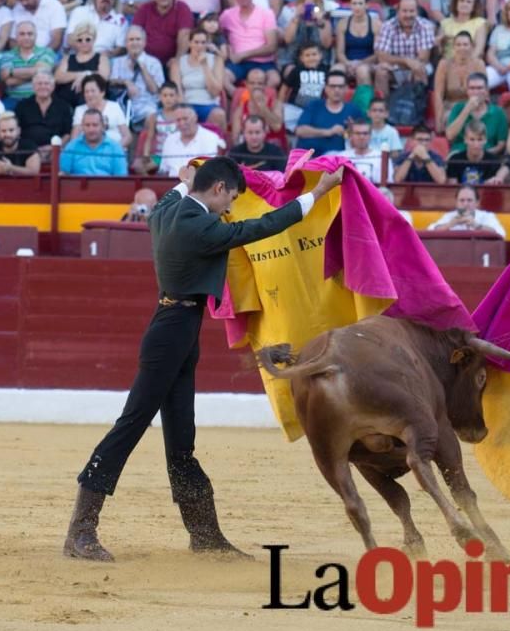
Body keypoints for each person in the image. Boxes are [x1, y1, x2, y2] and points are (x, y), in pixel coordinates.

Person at [63, 158, 345, 562]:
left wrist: (184, 181)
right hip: (171, 335)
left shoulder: (166, 212)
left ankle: (205, 534)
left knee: (181, 438)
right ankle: (80, 531)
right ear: (216, 190)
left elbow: (173, 194)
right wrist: (317, 194)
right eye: (230, 196)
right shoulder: (201, 226)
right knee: (131, 425)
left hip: (175, 331)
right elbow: (263, 228)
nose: (231, 206)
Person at [373, 0, 434, 97]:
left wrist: (409, 65)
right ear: (398, 11)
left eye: (411, 11)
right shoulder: (387, 26)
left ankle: (416, 109)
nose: (408, 15)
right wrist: (406, 61)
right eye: (404, 11)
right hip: (394, 69)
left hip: (417, 67)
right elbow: (382, 56)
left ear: (417, 11)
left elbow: (423, 58)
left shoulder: (425, 26)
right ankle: (384, 108)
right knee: (381, 72)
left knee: (419, 69)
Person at [170, 27, 227, 131]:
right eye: (196, 42)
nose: (199, 46)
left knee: (219, 115)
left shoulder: (216, 60)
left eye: (203, 42)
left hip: (209, 103)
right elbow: (177, 91)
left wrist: (205, 66)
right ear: (190, 43)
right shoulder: (178, 63)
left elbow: (215, 92)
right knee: (183, 117)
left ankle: (218, 145)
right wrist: (186, 109)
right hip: (187, 102)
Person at [109, 26, 165, 130]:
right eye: (131, 39)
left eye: (138, 39)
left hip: (146, 105)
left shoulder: (154, 62)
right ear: (126, 43)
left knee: (152, 117)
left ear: (144, 42)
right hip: (123, 104)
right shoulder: (117, 62)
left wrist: (143, 67)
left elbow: (155, 90)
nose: (134, 43)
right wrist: (126, 82)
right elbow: (111, 82)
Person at [295, 70, 362, 156]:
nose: (336, 90)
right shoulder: (314, 106)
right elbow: (300, 131)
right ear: (326, 88)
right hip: (311, 160)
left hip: (341, 161)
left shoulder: (353, 110)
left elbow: (362, 139)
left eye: (340, 86)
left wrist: (352, 131)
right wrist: (328, 132)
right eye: (333, 86)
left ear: (346, 88)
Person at [434, 32, 486, 135]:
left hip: (473, 106)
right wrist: (438, 119)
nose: (462, 48)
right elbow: (438, 95)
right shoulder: (444, 64)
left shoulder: (479, 64)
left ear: (471, 47)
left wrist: (474, 107)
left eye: (465, 44)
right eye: (458, 45)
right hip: (450, 107)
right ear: (453, 47)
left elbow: (485, 92)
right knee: (449, 118)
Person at [444, 72, 509, 155]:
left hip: (487, 156)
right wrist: (467, 110)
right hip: (460, 154)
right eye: (472, 88)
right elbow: (450, 136)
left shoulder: (498, 112)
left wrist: (481, 155)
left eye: (479, 88)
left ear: (486, 91)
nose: (475, 92)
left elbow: (501, 144)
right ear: (467, 91)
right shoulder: (458, 108)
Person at [0, 21, 56, 109]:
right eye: (22, 34)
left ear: (35, 36)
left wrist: (11, 71)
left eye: (30, 34)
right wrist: (37, 76)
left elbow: (43, 70)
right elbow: (8, 81)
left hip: (40, 99)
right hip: (14, 99)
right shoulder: (7, 55)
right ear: (16, 37)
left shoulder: (46, 52)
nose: (26, 37)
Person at [53, 22, 111, 108]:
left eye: (88, 39)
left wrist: (86, 76)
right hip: (65, 102)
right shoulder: (68, 58)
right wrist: (80, 74)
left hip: (92, 103)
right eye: (80, 40)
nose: (84, 42)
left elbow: (103, 77)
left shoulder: (102, 58)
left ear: (94, 39)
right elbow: (58, 77)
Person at [16, 70, 73, 156]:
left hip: (56, 151)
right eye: (39, 84)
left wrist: (53, 147)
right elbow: (17, 132)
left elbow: (67, 134)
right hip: (28, 152)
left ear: (53, 87)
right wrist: (33, 150)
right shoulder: (22, 106)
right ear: (33, 86)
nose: (43, 87)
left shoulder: (63, 106)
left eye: (46, 84)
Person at [158, 104, 225, 177]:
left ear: (195, 117)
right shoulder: (169, 140)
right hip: (172, 185)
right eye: (178, 120)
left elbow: (213, 170)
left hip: (200, 185)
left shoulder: (211, 138)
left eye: (185, 119)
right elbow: (163, 170)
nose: (182, 123)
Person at [59, 109, 128, 176]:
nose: (91, 129)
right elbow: (63, 175)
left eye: (95, 125)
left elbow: (121, 179)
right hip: (77, 187)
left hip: (107, 187)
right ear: (82, 127)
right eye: (87, 125)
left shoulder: (115, 148)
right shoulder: (72, 146)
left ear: (103, 126)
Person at [71, 74, 132, 149]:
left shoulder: (114, 107)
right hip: (87, 152)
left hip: (112, 152)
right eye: (86, 92)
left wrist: (114, 149)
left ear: (102, 92)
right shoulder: (80, 110)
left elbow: (127, 136)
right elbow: (74, 138)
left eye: (93, 91)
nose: (89, 94)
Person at [132, 0, 194, 66]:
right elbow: (134, 33)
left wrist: (178, 60)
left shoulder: (182, 8)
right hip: (146, 61)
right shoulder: (144, 8)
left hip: (171, 62)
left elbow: (184, 36)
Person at [334, 0, 380, 89]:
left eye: (360, 3)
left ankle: (365, 102)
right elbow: (340, 52)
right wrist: (348, 64)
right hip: (347, 62)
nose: (357, 7)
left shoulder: (376, 24)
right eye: (354, 4)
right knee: (336, 70)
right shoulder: (342, 24)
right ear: (350, 5)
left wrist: (360, 63)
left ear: (367, 5)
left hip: (368, 63)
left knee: (362, 71)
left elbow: (377, 54)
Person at [426, 185, 506, 237]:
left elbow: (501, 234)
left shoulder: (487, 216)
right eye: (462, 200)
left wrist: (477, 226)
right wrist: (449, 225)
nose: (465, 204)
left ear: (477, 203)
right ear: (456, 202)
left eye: (469, 200)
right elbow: (429, 231)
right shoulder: (449, 216)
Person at [0, 111, 41, 175]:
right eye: (3, 131)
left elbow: (34, 171)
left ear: (19, 131)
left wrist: (11, 168)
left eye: (11, 130)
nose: (7, 134)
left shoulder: (29, 146)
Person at [335, 117, 392, 184]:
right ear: (351, 136)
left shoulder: (382, 157)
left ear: (370, 135)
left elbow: (386, 185)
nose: (361, 137)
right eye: (357, 133)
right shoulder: (340, 157)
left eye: (365, 133)